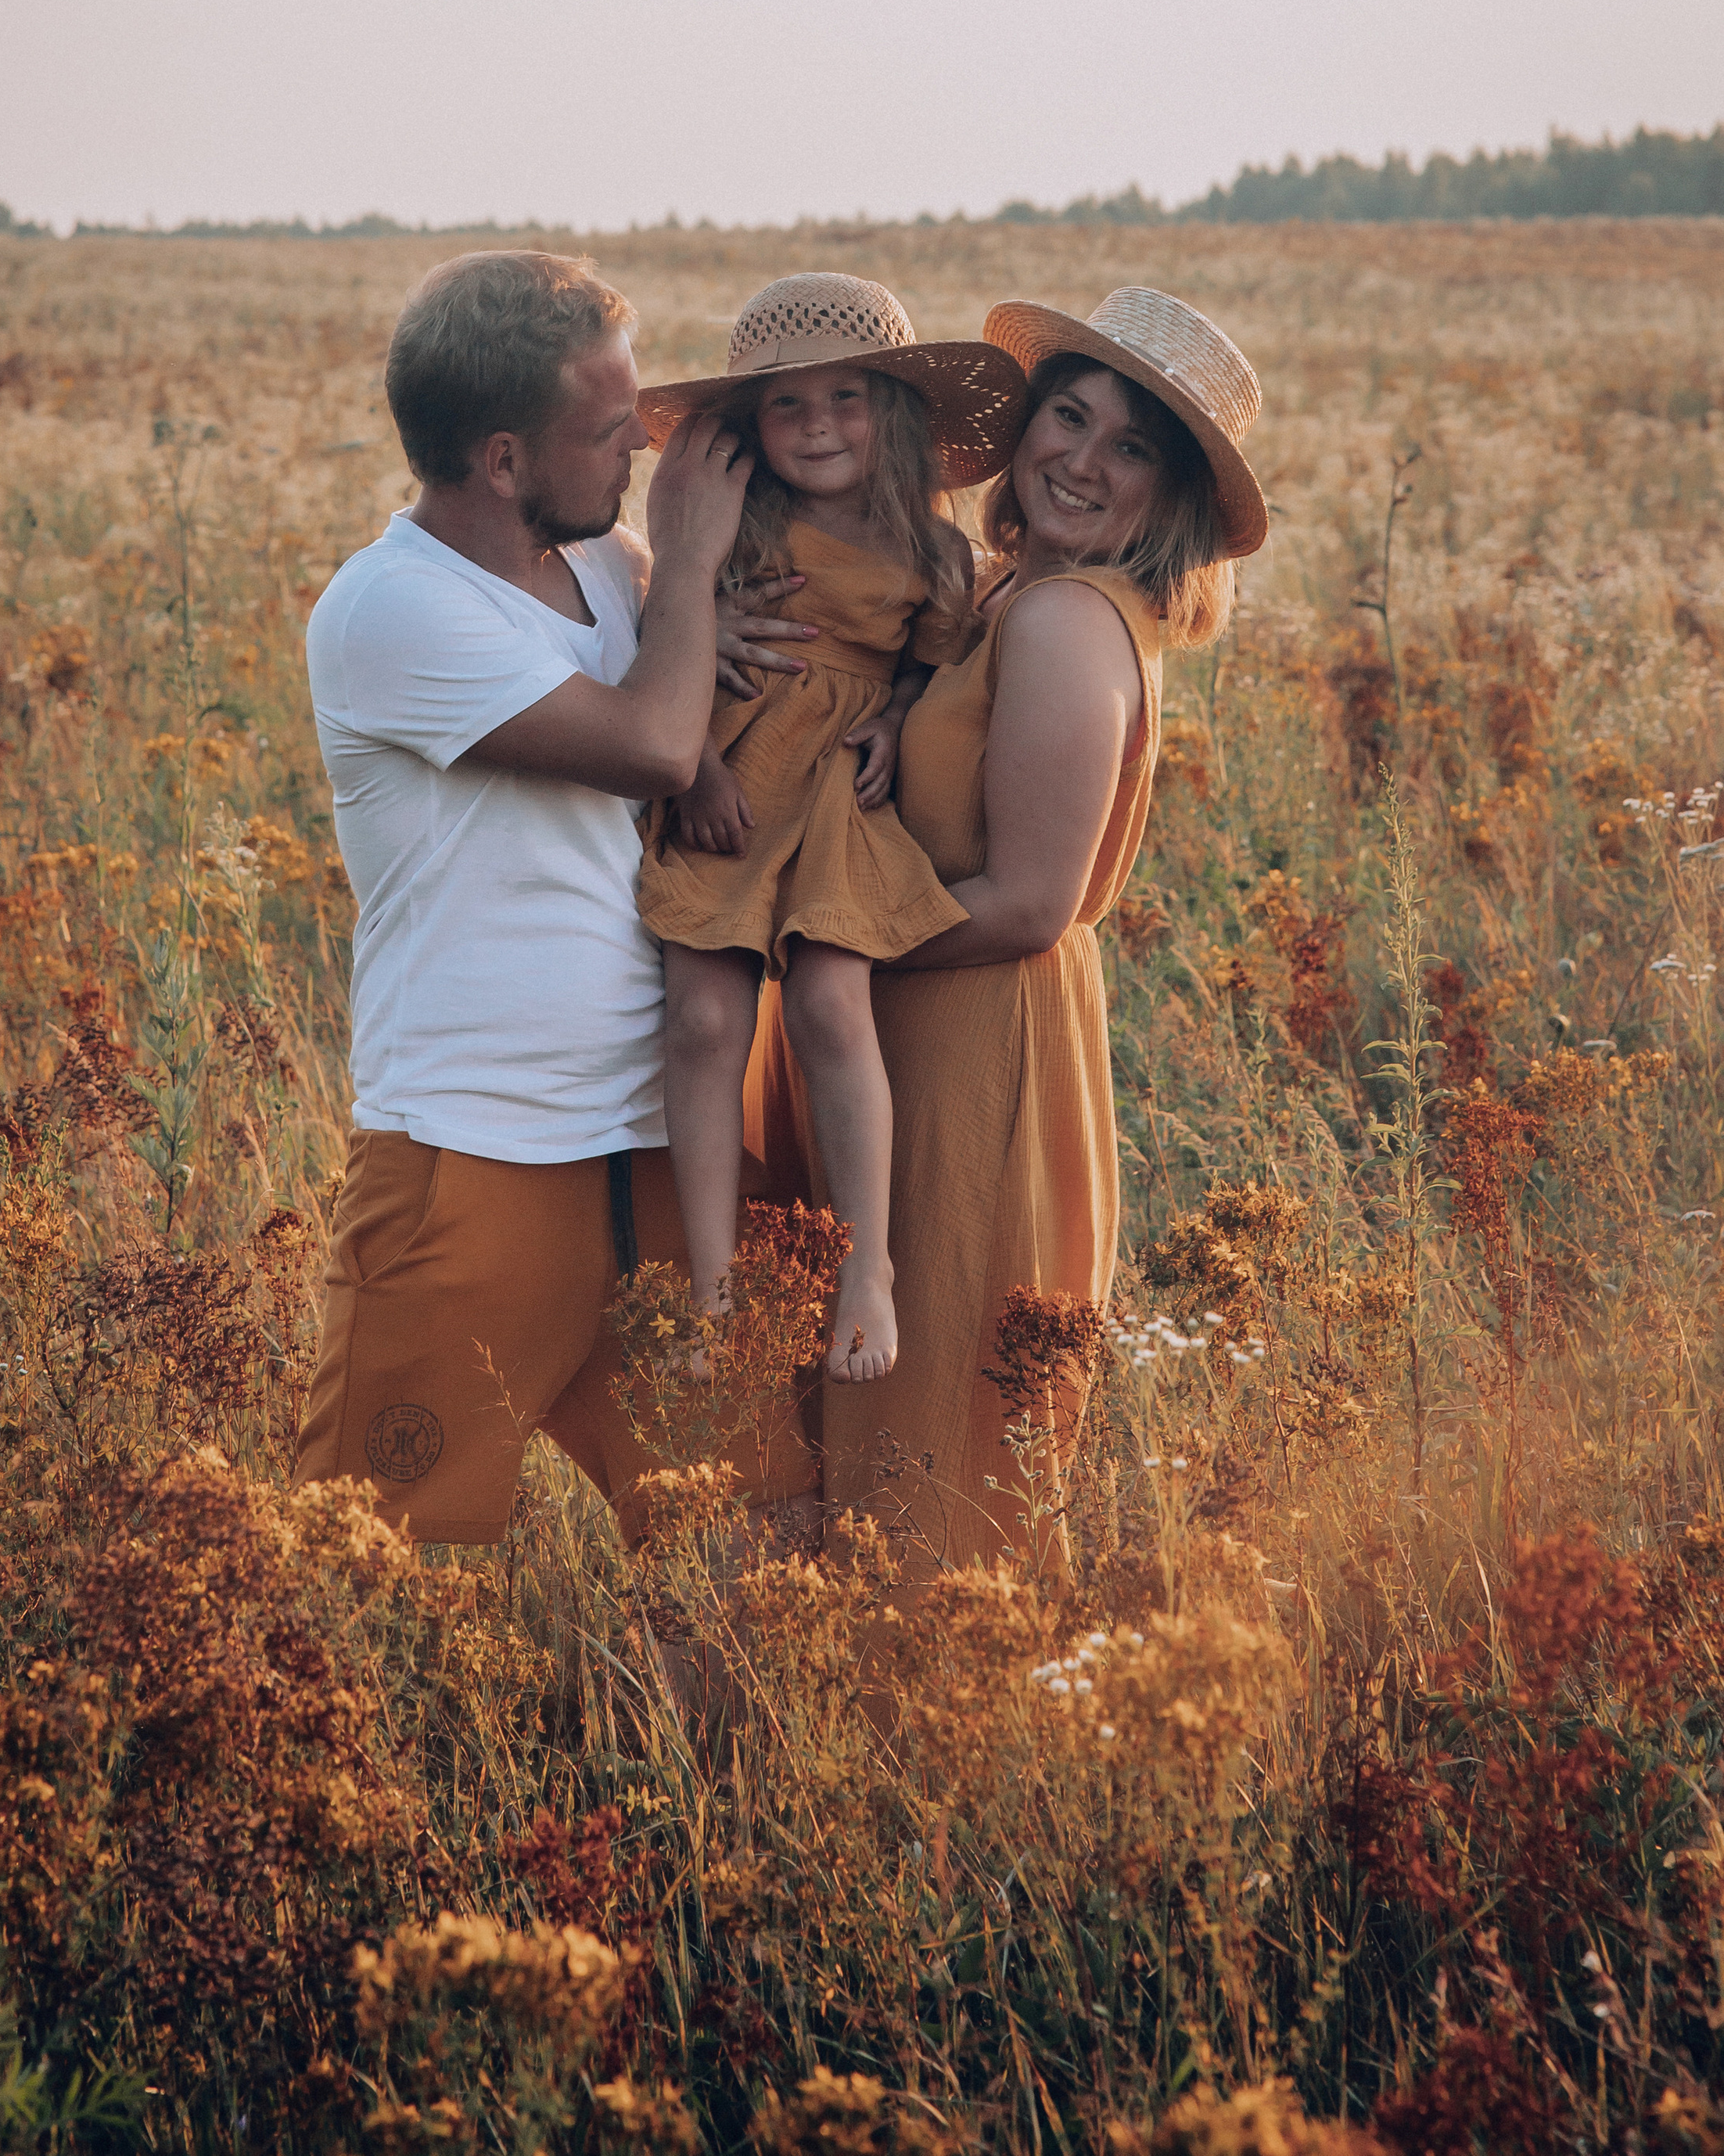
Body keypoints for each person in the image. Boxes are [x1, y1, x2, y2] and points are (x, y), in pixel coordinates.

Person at [293, 246, 813, 1542]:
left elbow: (696, 710)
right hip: (476, 1156)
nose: (643, 441)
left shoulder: (602, 570)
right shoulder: (392, 610)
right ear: (504, 459)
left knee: (749, 1531)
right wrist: (690, 575)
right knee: (382, 1565)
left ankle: (708, 1758)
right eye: (607, 426)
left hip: (654, 1146)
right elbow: (650, 743)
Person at [746, 283, 1267, 1570]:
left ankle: (918, 1744)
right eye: (1069, 416)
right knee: (877, 1432)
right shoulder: (1006, 595)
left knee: (924, 1462)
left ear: (1174, 500)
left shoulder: (1064, 620)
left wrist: (821, 942)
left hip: (972, 1060)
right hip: (910, 1045)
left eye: (1130, 446)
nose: (1081, 460)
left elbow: (1033, 900)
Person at [634, 274, 1025, 1385]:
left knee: (827, 1002)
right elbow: (672, 661)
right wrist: (696, 766)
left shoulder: (933, 553)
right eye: (788, 406)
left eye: (846, 398)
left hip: (841, 802)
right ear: (751, 425)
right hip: (732, 780)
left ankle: (868, 1270)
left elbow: (930, 671)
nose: (818, 428)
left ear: (893, 411)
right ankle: (713, 1293)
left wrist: (897, 720)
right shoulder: (735, 527)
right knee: (704, 1020)